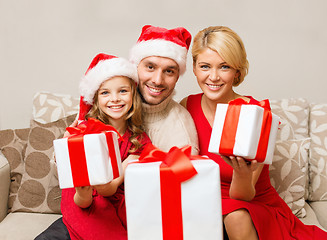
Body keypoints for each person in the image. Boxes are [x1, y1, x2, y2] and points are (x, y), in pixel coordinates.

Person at [35, 25, 199, 239]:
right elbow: (71, 183)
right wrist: (65, 158)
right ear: (136, 68)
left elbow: (182, 185)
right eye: (150, 67)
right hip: (83, 206)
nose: (158, 80)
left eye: (169, 71)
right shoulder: (90, 122)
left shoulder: (157, 132)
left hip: (133, 212)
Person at [181, 26, 327, 240]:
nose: (213, 77)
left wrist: (241, 172)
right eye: (205, 66)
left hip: (250, 202)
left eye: (224, 67)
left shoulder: (255, 112)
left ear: (237, 72)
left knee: (235, 216)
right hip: (208, 201)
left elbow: (245, 194)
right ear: (194, 67)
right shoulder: (187, 106)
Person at [56, 53, 151, 240]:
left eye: (122, 91)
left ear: (133, 94)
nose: (114, 99)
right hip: (81, 202)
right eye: (105, 92)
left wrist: (102, 183)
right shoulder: (83, 133)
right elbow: (79, 201)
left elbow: (111, 187)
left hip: (112, 199)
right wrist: (83, 194)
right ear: (96, 98)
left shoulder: (139, 141)